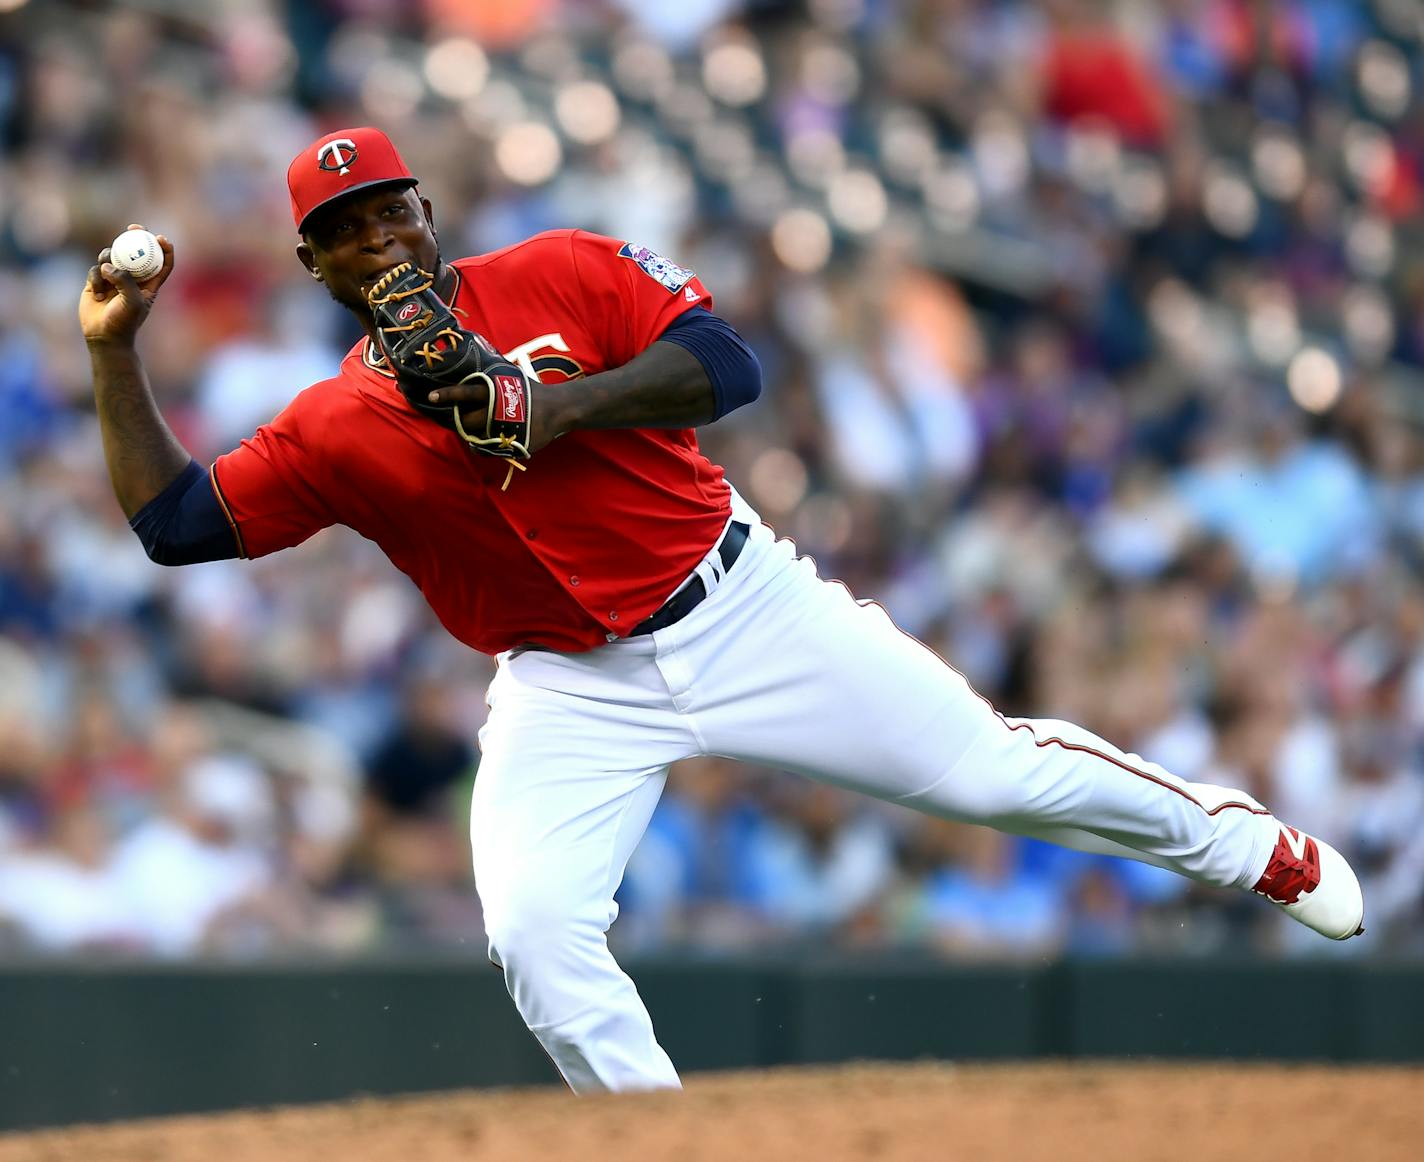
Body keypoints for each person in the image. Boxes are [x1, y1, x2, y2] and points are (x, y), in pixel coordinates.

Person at [79, 126, 1364, 1093]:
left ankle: (1249, 849)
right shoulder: (334, 425)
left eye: (388, 211)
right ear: (312, 263)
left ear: (427, 208)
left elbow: (726, 364)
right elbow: (174, 524)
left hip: (739, 606)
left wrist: (555, 404)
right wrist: (112, 352)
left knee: (991, 774)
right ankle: (667, 1135)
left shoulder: (562, 268)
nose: (379, 242)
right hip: (565, 684)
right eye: (345, 230)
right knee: (532, 932)